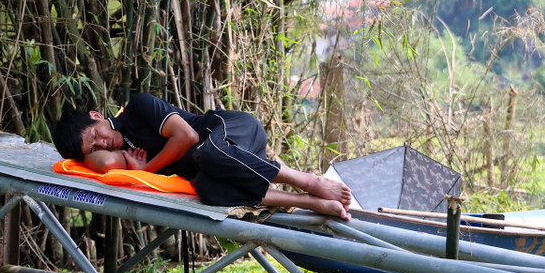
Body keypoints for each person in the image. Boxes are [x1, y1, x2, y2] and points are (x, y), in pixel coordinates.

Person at [52, 93, 353, 219]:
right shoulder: (120, 157)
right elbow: (102, 164)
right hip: (225, 163)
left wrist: (146, 169)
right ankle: (309, 202)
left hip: (227, 129)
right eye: (91, 150)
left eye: (95, 136)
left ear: (96, 115)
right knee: (208, 189)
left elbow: (188, 137)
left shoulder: (137, 107)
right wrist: (99, 156)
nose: (101, 145)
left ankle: (305, 180)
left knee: (208, 154)